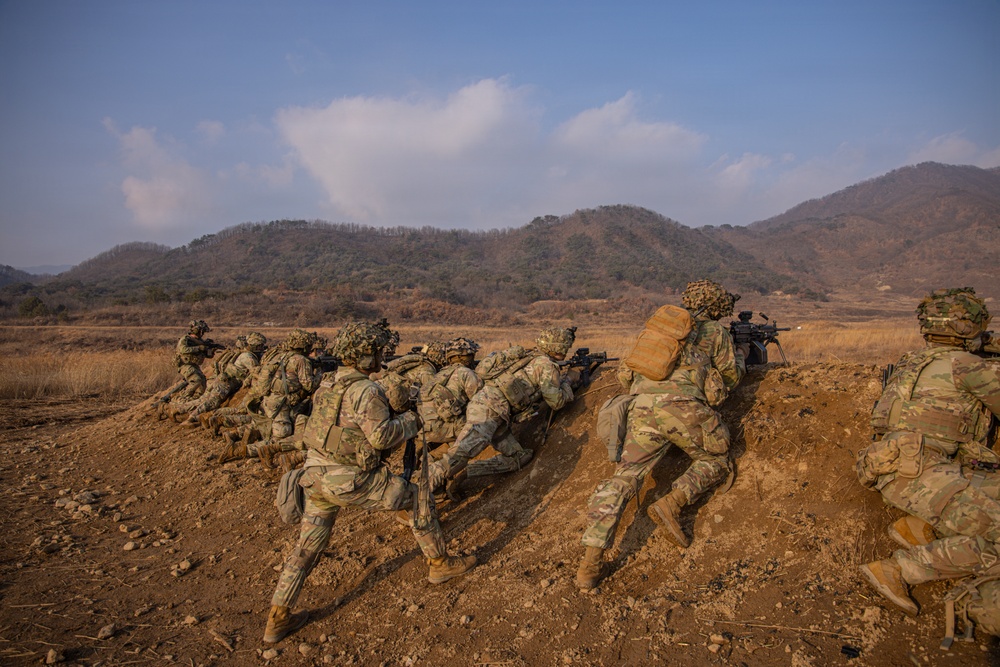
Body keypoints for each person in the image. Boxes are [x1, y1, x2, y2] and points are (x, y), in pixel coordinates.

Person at [262, 321, 476, 644]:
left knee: (307, 547)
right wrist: (412, 419)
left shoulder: (328, 384)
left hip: (316, 478)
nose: (380, 356)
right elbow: (381, 437)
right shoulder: (367, 390)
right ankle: (439, 563)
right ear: (364, 355)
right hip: (350, 480)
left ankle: (278, 617)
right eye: (376, 351)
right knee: (417, 496)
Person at [576, 280, 745, 590]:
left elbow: (626, 374)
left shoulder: (658, 330)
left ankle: (589, 564)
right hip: (683, 409)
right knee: (717, 458)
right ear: (718, 307)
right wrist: (740, 357)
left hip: (641, 408)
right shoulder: (715, 331)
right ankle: (672, 503)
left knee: (625, 477)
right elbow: (730, 379)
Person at [856, 287, 1000, 618]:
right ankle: (900, 569)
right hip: (919, 472)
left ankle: (919, 527)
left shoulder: (914, 361)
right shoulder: (967, 366)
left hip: (903, 467)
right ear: (969, 326)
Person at [426, 327, 579, 495]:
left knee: (520, 457)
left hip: (494, 411)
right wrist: (568, 381)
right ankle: (420, 490)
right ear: (560, 347)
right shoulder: (546, 365)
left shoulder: (528, 355)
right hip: (489, 412)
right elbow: (556, 402)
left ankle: (467, 472)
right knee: (460, 454)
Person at [169, 332, 267, 426]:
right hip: (226, 383)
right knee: (212, 402)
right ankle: (191, 418)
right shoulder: (247, 357)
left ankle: (178, 409)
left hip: (224, 380)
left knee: (202, 400)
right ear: (255, 346)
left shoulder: (247, 353)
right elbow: (256, 372)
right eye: (260, 346)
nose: (262, 348)